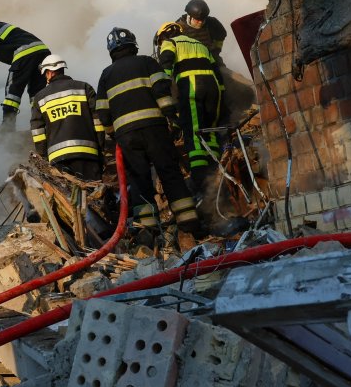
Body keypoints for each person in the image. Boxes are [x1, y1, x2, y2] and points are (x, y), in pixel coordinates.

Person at [96, 27, 200, 235]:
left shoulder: (106, 75)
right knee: (169, 172)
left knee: (138, 179)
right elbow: (162, 91)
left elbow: (103, 112)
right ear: (133, 45)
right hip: (155, 128)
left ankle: (148, 231)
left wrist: (113, 133)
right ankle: (189, 224)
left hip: (126, 136)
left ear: (111, 51)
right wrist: (172, 117)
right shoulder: (147, 62)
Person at [156, 22, 223, 195]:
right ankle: (215, 168)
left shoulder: (170, 42)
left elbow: (166, 66)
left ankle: (200, 178)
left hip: (193, 86)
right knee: (211, 131)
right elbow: (217, 69)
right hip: (214, 89)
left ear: (164, 35)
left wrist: (161, 90)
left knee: (193, 131)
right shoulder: (199, 44)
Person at [29, 55, 105, 180]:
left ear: (49, 73)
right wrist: (100, 147)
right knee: (94, 193)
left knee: (68, 196)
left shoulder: (40, 97)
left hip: (58, 160)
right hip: (88, 154)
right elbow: (98, 121)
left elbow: (37, 131)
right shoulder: (84, 88)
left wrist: (43, 156)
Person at [175, 0, 227, 65]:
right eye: (197, 20)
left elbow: (221, 36)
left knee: (235, 76)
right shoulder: (177, 28)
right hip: (188, 65)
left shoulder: (212, 23)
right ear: (189, 16)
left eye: (203, 19)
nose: (200, 22)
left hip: (212, 61)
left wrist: (216, 51)